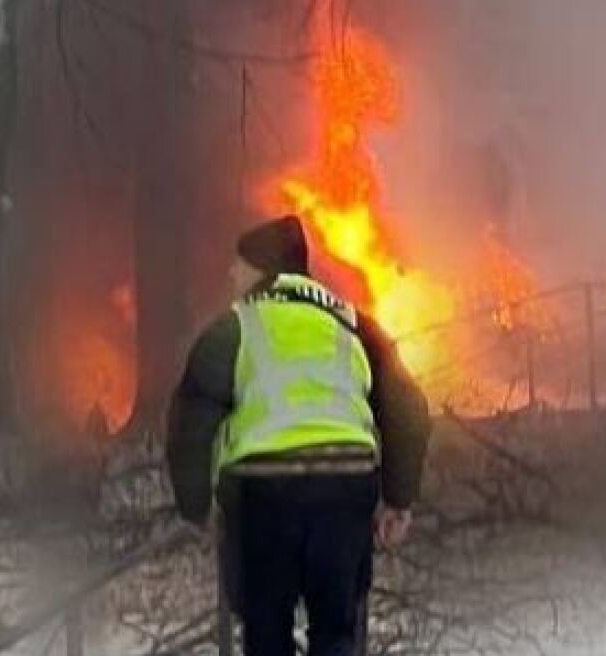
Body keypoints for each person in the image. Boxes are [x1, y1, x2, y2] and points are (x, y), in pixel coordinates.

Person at [166, 215, 431, 656]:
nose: (231, 274)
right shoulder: (354, 324)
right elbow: (407, 409)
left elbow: (190, 415)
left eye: (238, 265)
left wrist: (195, 506)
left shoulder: (237, 327)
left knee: (266, 634)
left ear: (261, 269)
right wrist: (398, 500)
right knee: (336, 633)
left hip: (266, 494)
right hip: (345, 488)